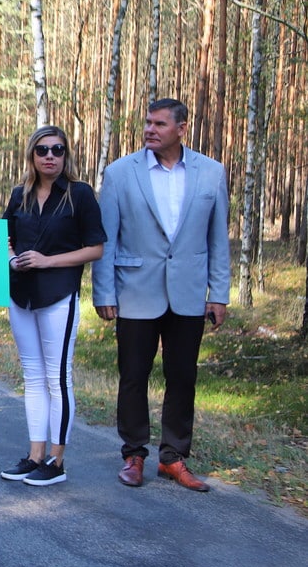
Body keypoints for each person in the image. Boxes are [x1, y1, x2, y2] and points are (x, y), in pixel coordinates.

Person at [93, 98, 229, 492]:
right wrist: (104, 291)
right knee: (133, 376)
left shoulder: (211, 172)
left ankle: (173, 457)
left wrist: (219, 293)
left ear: (182, 128)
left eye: (159, 124)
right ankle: (134, 454)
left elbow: (218, 239)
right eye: (148, 123)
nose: (150, 130)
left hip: (189, 291)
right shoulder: (120, 173)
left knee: (183, 377)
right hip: (135, 290)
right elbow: (107, 238)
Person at [0, 126, 105, 487]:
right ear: (32, 155)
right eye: (42, 150)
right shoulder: (20, 195)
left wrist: (48, 261)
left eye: (57, 150)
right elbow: (3, 239)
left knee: (57, 377)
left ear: (65, 155)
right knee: (32, 377)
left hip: (59, 295)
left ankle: (56, 461)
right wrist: (12, 260)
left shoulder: (80, 194)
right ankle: (35, 456)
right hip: (20, 295)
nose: (50, 156)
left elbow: (96, 248)